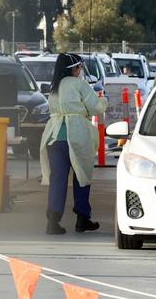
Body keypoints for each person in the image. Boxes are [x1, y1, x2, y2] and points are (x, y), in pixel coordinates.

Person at [39, 53, 108, 235]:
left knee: (58, 179)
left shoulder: (54, 87)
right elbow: (95, 108)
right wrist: (103, 99)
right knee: (82, 175)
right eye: (81, 67)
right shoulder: (80, 84)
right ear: (75, 68)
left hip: (54, 137)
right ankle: (82, 219)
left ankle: (52, 222)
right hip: (76, 135)